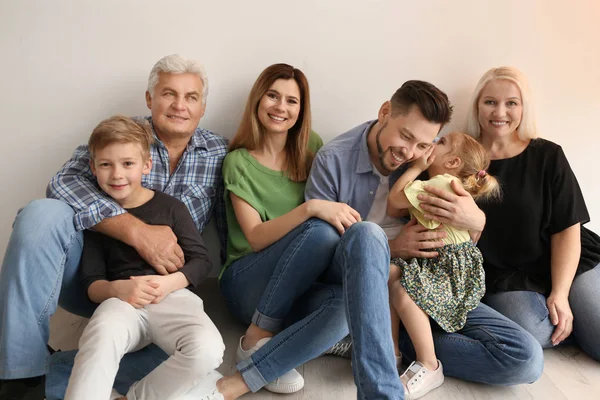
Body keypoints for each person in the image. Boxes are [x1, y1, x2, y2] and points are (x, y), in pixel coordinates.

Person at [0, 54, 229, 400]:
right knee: (41, 214)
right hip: (100, 281)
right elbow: (63, 183)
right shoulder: (120, 135)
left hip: (166, 293)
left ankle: (53, 376)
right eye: (168, 94)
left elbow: (208, 251)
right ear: (150, 99)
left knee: (191, 363)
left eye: (191, 97)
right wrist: (136, 233)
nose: (179, 106)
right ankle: (21, 375)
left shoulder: (219, 151)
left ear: (203, 106)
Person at [305, 80, 544, 399]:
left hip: (433, 279)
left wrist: (478, 220)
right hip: (368, 284)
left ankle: (392, 346)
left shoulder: (432, 169)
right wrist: (388, 249)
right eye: (405, 137)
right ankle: (394, 345)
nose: (411, 153)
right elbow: (317, 253)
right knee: (335, 302)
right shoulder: (333, 160)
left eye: (425, 145)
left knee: (525, 359)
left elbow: (462, 236)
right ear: (385, 112)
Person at [215, 63, 354, 400]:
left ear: (301, 110)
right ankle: (255, 336)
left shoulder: (313, 147)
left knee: (344, 307)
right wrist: (309, 208)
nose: (281, 107)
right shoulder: (238, 161)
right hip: (247, 282)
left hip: (297, 285)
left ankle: (261, 361)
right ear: (257, 101)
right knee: (320, 231)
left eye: (292, 101)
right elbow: (256, 237)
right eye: (273, 96)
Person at [63, 116, 224, 400]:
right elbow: (91, 282)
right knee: (101, 334)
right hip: (122, 302)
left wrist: (167, 284)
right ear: (93, 168)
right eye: (106, 164)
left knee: (208, 350)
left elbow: (201, 260)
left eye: (127, 164)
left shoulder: (171, 208)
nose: (117, 175)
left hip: (172, 298)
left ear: (146, 165)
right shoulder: (99, 218)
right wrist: (117, 289)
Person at [460, 66, 600, 361]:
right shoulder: (459, 160)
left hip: (568, 259)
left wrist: (561, 293)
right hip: (506, 276)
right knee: (536, 333)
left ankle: (577, 315)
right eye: (490, 102)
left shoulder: (548, 155)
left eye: (511, 102)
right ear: (477, 106)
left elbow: (567, 230)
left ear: (523, 108)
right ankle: (575, 322)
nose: (500, 112)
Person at [386, 132, 500, 399]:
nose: (434, 143)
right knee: (390, 272)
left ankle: (429, 363)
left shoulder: (438, 183)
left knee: (401, 289)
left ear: (452, 163)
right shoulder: (451, 186)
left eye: (442, 143)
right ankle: (391, 352)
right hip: (453, 267)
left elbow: (394, 204)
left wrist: (416, 167)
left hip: (443, 267)